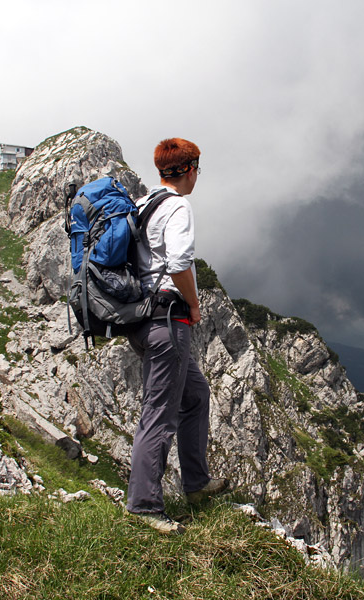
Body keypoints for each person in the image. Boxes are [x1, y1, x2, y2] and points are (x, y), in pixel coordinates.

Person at [125, 137, 229, 534]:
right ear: (190, 170)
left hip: (142, 319)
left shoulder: (143, 205)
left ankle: (197, 484)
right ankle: (144, 506)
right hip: (169, 320)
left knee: (195, 394)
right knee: (159, 412)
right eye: (197, 169)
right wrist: (195, 304)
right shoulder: (178, 206)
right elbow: (180, 261)